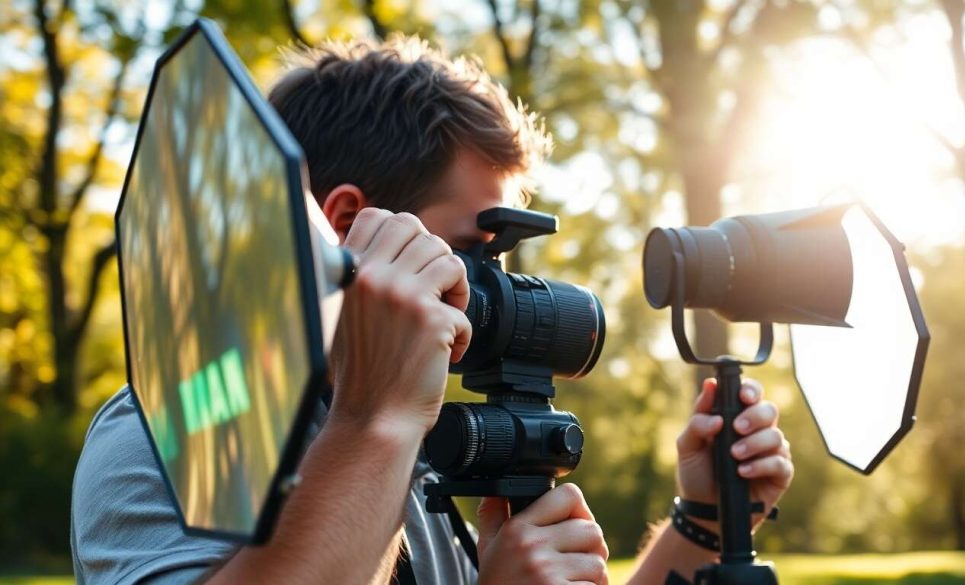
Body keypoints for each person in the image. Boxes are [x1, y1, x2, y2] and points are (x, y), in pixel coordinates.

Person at [70, 36, 793, 585]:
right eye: (470, 252)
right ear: (350, 225)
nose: (492, 295)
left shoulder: (408, 437)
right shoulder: (168, 428)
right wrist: (372, 418)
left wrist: (704, 515)